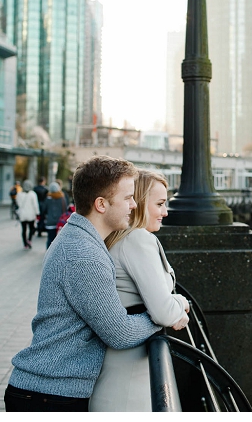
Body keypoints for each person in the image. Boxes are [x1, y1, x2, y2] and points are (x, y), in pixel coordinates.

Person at [4, 156, 162, 412]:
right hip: (49, 396)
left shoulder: (78, 238)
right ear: (101, 204)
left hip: (47, 392)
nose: (134, 205)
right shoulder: (84, 254)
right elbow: (120, 333)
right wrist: (161, 315)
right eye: (127, 198)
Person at [89, 169, 189, 412]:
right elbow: (164, 313)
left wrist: (172, 300)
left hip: (121, 373)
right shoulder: (138, 240)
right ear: (141, 203)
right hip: (129, 382)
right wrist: (181, 303)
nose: (165, 212)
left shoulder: (120, 238)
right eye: (160, 204)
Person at [43, 182, 67, 249]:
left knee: (50, 239)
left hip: (50, 222)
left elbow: (44, 210)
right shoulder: (62, 198)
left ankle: (48, 254)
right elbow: (65, 210)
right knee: (58, 240)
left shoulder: (48, 199)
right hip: (59, 223)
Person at [16, 180, 40, 250]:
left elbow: (18, 203)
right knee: (31, 228)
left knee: (24, 230)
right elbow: (35, 205)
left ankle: (25, 244)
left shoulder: (19, 194)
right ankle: (29, 240)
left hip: (22, 214)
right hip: (31, 214)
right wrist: (37, 213)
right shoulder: (33, 194)